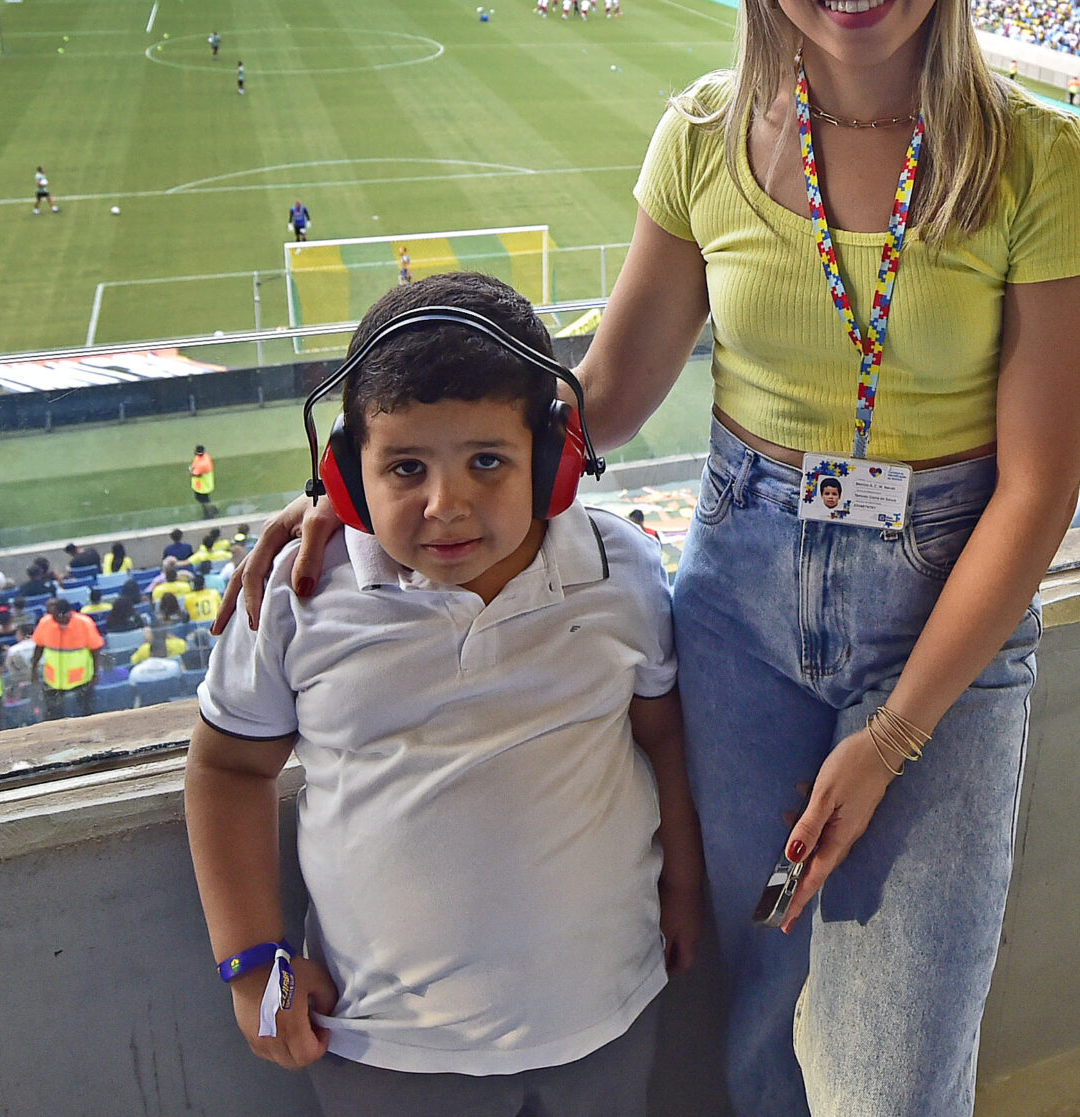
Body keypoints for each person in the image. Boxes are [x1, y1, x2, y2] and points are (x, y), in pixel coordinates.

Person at [222, 0, 1080, 1117]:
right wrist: (349, 497)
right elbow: (598, 394)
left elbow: (1039, 491)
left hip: (943, 624)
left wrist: (892, 738)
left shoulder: (1038, 159)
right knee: (755, 1004)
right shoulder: (704, 134)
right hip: (743, 609)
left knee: (905, 1058)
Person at [186, 273, 698, 1102]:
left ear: (555, 461)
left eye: (488, 461)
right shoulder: (295, 592)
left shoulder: (619, 571)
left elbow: (660, 736)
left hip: (605, 1018)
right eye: (405, 467)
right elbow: (227, 769)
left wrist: (683, 887)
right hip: (382, 1048)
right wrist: (252, 964)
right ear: (347, 473)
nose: (445, 504)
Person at [32, 598, 103, 720]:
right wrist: (33, 670)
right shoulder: (46, 622)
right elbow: (39, 647)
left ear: (66, 614)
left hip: (81, 678)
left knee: (88, 712)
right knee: (52, 715)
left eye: (55, 616)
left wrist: (95, 674)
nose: (52, 618)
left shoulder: (84, 623)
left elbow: (95, 650)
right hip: (53, 679)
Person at [190, 445, 216, 518]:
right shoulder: (206, 456)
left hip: (202, 486)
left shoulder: (202, 464)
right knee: (205, 500)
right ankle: (212, 511)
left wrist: (191, 471)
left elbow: (195, 474)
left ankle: (209, 514)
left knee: (203, 500)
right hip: (205, 484)